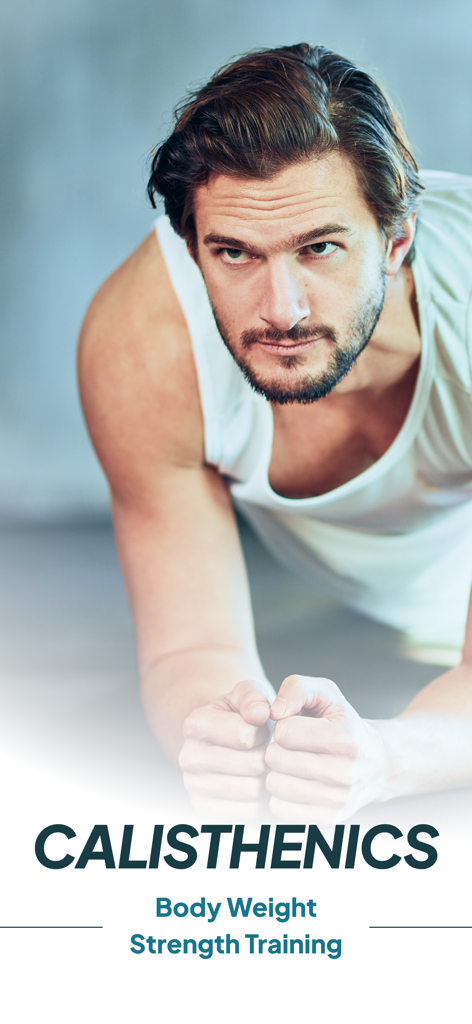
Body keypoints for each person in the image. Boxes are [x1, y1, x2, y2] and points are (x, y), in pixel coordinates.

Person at [78, 43, 472, 822]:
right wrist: (223, 735)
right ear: (194, 253)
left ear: (395, 244)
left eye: (320, 248)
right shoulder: (140, 350)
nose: (281, 309)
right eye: (235, 253)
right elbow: (189, 650)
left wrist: (386, 760)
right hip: (332, 590)